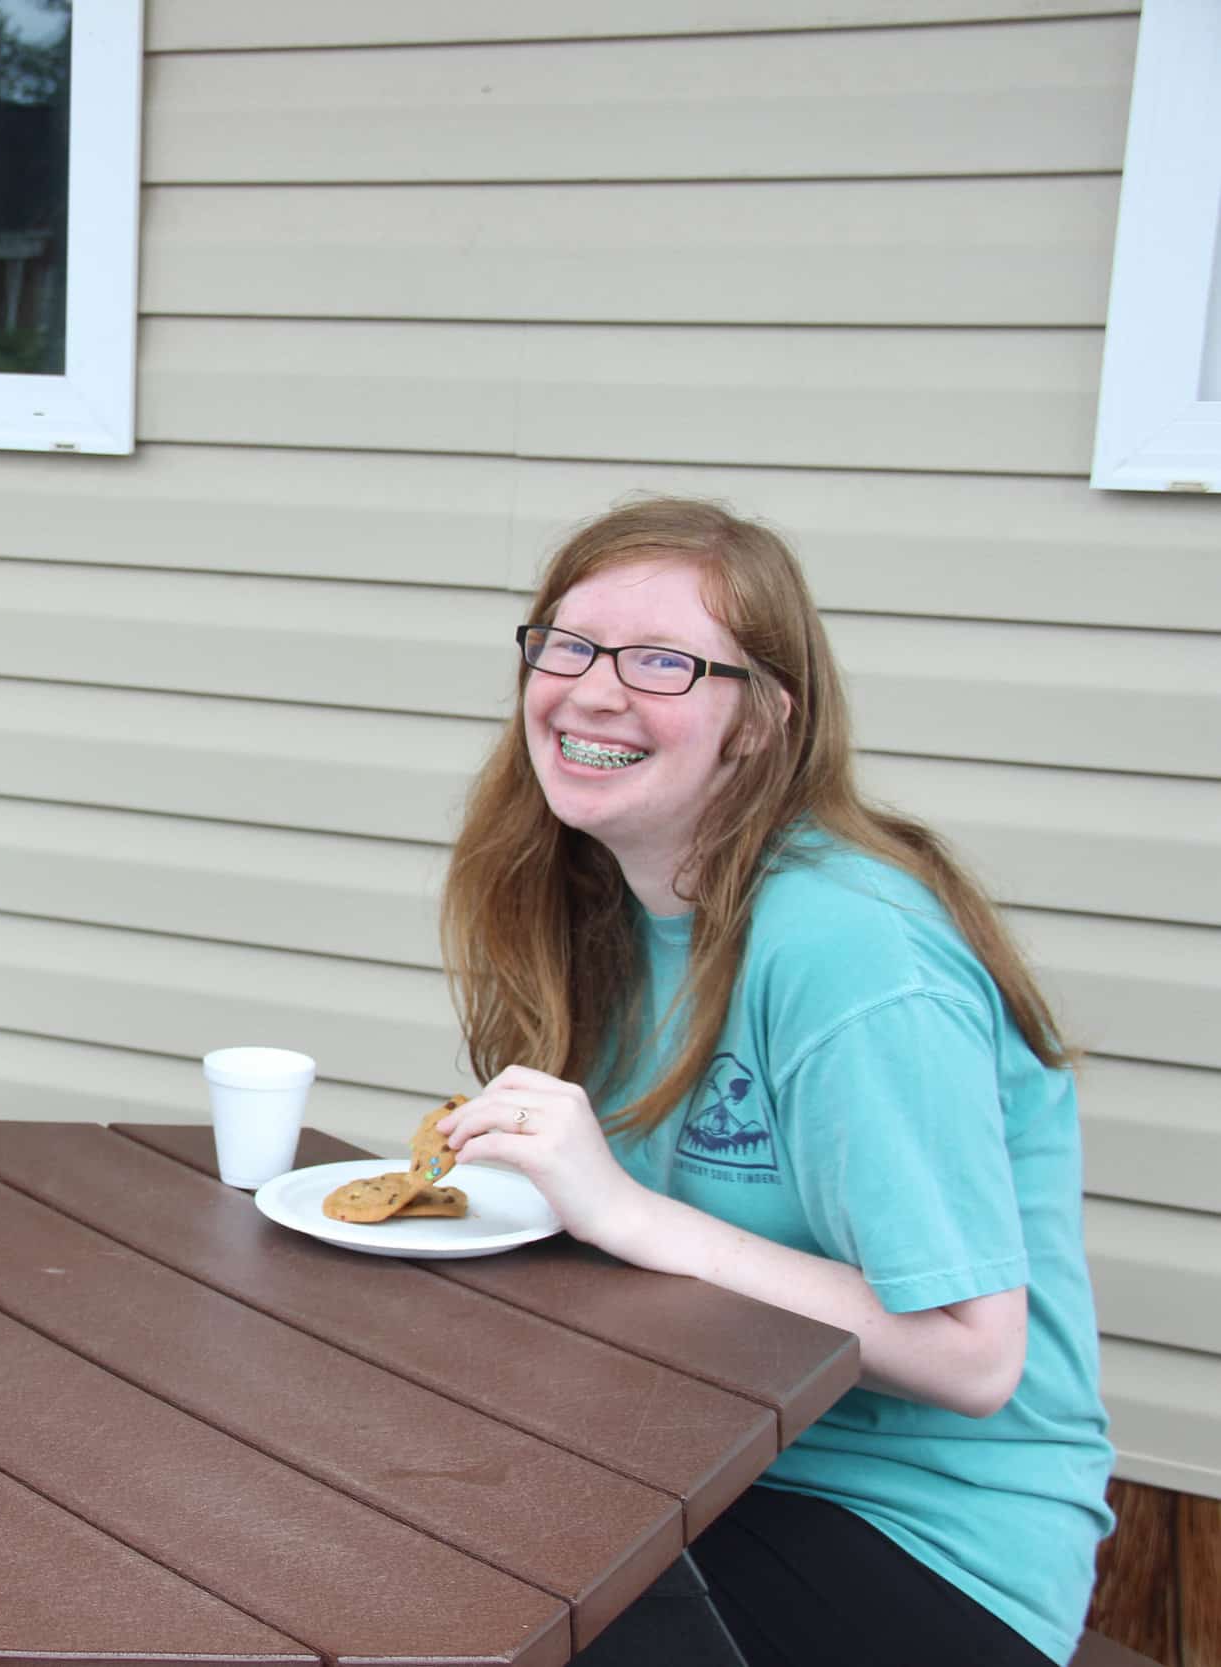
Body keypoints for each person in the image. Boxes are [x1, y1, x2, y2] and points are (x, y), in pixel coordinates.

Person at [433, 498, 1112, 1667]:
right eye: (568, 643)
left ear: (759, 720)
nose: (593, 691)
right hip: (690, 1457)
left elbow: (974, 1354)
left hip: (915, 1536)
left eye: (663, 662)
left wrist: (628, 1213)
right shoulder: (602, 909)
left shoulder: (849, 947)